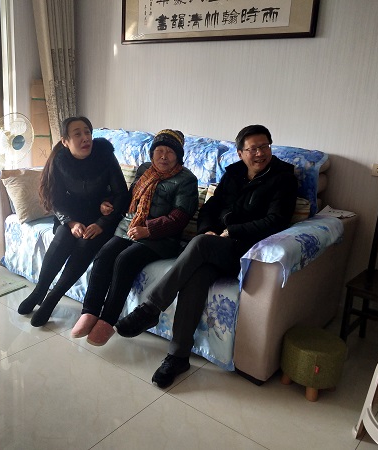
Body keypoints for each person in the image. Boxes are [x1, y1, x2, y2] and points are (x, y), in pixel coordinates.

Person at [115, 124, 298, 388]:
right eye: (252, 149)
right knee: (196, 275)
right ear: (240, 153)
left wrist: (230, 231)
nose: (259, 153)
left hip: (248, 251)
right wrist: (209, 230)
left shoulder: (283, 178)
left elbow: (276, 221)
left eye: (264, 147)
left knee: (200, 245)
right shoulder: (233, 173)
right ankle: (178, 356)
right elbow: (211, 207)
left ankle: (151, 307)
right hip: (217, 244)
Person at [71, 129, 198, 346]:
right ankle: (90, 312)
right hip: (129, 227)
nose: (164, 156)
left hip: (162, 238)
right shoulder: (144, 170)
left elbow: (180, 218)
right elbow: (129, 198)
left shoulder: (186, 180)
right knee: (104, 255)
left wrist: (149, 229)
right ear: (152, 153)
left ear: (178, 156)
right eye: (159, 151)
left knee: (125, 260)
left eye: (170, 152)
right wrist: (108, 203)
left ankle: (107, 320)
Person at [17, 116, 129, 327]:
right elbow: (55, 198)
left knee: (86, 243)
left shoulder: (105, 155)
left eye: (87, 132)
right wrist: (70, 222)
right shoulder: (60, 160)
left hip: (102, 217)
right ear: (65, 141)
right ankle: (40, 290)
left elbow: (122, 195)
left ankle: (52, 299)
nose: (85, 138)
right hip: (72, 214)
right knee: (63, 238)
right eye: (78, 134)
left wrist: (102, 223)